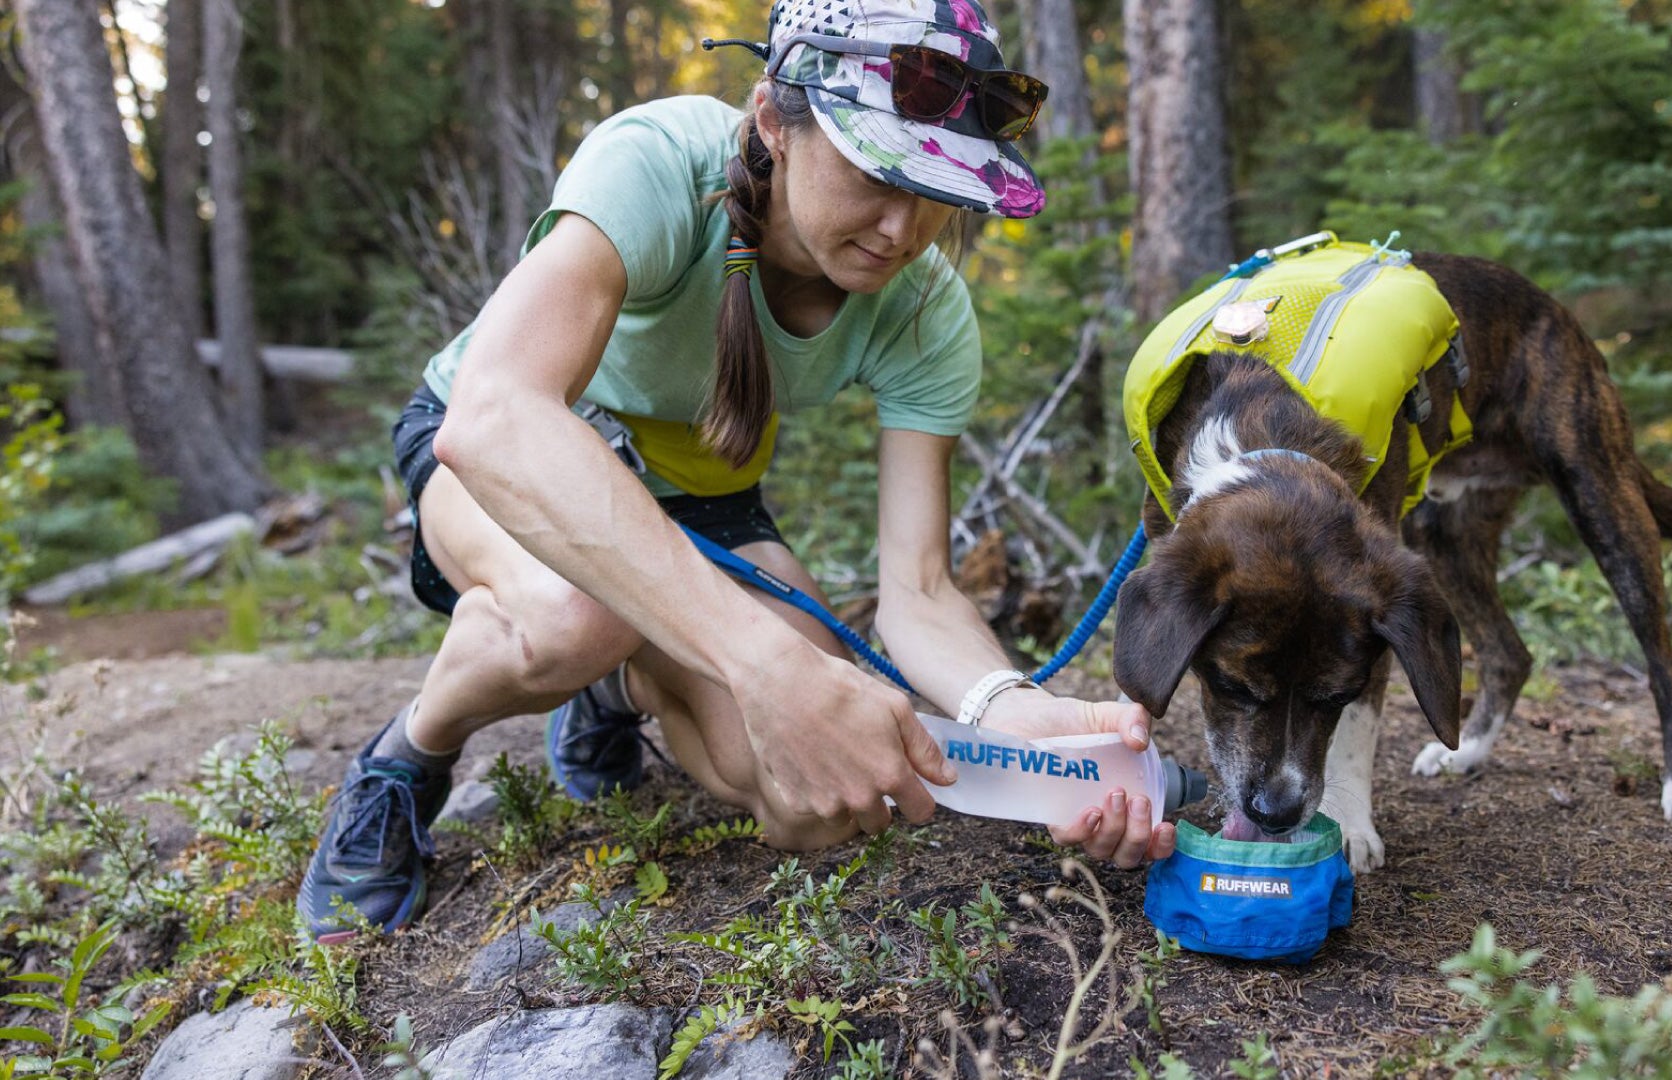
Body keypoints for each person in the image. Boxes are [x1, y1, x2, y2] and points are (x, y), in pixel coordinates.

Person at [298, 0, 1176, 944]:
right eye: (875, 171)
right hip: (496, 461)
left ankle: (618, 686)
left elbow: (917, 587)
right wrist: (764, 662)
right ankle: (406, 760)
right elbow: (497, 416)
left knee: (811, 794)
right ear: (771, 120)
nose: (900, 226)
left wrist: (1008, 711)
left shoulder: (924, 309)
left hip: (702, 500)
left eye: (937, 191)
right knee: (574, 615)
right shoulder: (659, 161)